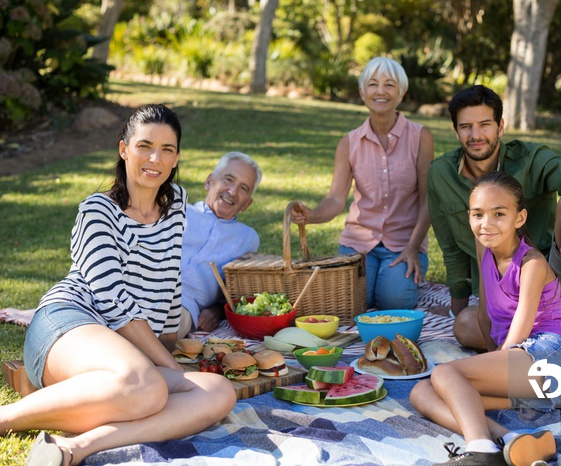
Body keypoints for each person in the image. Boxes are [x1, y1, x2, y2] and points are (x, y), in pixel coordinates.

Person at [1, 104, 237, 466]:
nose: (155, 158)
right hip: (67, 324)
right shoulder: (97, 211)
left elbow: (167, 280)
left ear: (176, 159)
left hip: (128, 355)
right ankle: (6, 420)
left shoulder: (176, 206)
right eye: (145, 146)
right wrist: (170, 366)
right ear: (124, 149)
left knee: (218, 393)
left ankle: (73, 448)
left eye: (167, 149)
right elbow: (116, 304)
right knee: (149, 385)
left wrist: (171, 344)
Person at [427, 85, 561, 363]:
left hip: (544, 273)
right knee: (464, 326)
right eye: (466, 126)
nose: (476, 135)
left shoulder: (530, 158)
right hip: (501, 291)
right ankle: (558, 335)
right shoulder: (440, 174)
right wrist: (457, 307)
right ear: (456, 131)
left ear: (500, 127)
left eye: (485, 124)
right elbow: (451, 249)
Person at [411, 172, 561, 466]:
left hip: (551, 357)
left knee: (445, 374)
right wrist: (489, 363)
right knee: (423, 392)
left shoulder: (532, 264)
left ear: (519, 217)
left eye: (499, 214)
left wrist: (491, 366)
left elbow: (520, 331)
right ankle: (512, 440)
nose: (486, 224)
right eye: (478, 214)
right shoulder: (484, 247)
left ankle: (480, 452)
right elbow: (488, 313)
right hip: (525, 373)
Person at [290, 56, 434, 310]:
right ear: (362, 92)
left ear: (401, 92)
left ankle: (398, 278)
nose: (380, 91)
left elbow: (428, 200)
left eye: (389, 85)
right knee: (352, 302)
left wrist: (413, 248)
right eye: (373, 84)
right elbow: (336, 199)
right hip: (358, 244)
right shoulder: (349, 143)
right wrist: (312, 215)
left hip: (404, 243)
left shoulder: (421, 137)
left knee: (394, 300)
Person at [178, 151, 262, 338]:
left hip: (181, 308)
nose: (232, 191)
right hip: (143, 288)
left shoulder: (247, 238)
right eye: (228, 179)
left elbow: (235, 293)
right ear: (209, 181)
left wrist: (216, 311)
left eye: (243, 188)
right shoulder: (179, 211)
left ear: (247, 203)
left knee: (159, 329)